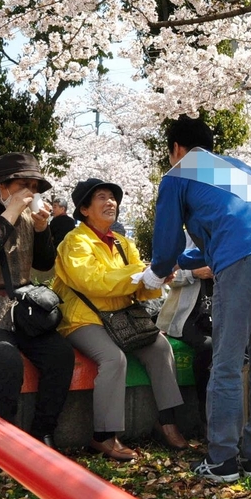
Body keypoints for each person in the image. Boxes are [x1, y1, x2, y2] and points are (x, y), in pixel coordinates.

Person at [139, 115, 251, 483]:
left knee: (226, 361)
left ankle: (223, 460)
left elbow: (166, 244)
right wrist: (181, 262)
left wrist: (156, 271)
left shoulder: (178, 173)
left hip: (244, 260)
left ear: (176, 149)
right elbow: (229, 233)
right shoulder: (238, 168)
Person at [53, 178, 187, 461]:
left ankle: (167, 422)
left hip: (121, 317)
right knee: (114, 359)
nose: (110, 202)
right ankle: (103, 436)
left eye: (112, 197)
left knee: (161, 348)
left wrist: (156, 278)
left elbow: (140, 289)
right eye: (101, 197)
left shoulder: (124, 243)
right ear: (84, 209)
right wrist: (139, 275)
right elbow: (91, 281)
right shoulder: (75, 242)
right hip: (83, 318)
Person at [0, 152, 74, 448]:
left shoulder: (27, 219)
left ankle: (42, 432)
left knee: (60, 354)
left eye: (34, 186)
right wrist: (11, 213)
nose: (30, 193)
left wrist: (42, 228)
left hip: (20, 314)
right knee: (6, 359)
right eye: (24, 185)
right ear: (3, 186)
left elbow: (45, 265)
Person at [157, 233, 215, 428]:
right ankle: (205, 414)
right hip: (184, 315)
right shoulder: (179, 238)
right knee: (208, 346)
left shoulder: (225, 235)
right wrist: (194, 273)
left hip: (219, 311)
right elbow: (165, 277)